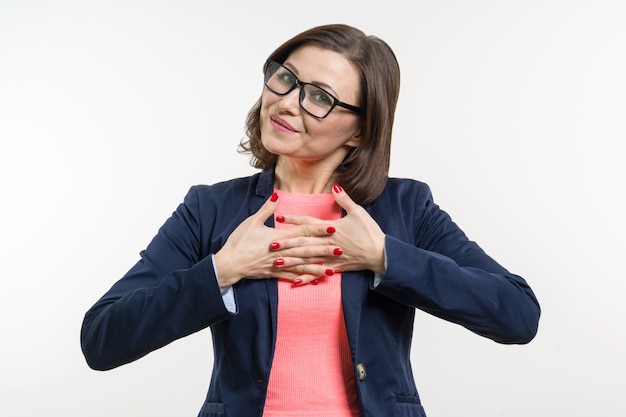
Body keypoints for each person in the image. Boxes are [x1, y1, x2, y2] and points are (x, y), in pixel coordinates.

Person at [81, 23, 540, 417]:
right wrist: (222, 271)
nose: (285, 102)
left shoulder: (406, 207)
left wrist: (384, 257)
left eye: (319, 97)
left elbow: (517, 314)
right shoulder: (210, 208)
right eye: (285, 78)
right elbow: (102, 338)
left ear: (361, 129)